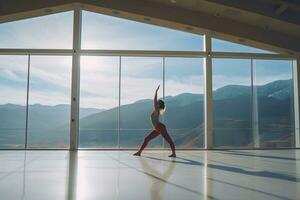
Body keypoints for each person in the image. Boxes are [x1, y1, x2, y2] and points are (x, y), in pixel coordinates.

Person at [133, 85, 176, 157]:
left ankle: (174, 153)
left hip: (160, 127)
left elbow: (154, 101)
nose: (156, 103)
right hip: (158, 128)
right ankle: (139, 152)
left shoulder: (157, 110)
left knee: (168, 140)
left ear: (159, 105)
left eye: (158, 103)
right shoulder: (156, 110)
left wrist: (156, 92)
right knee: (147, 139)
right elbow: (155, 102)